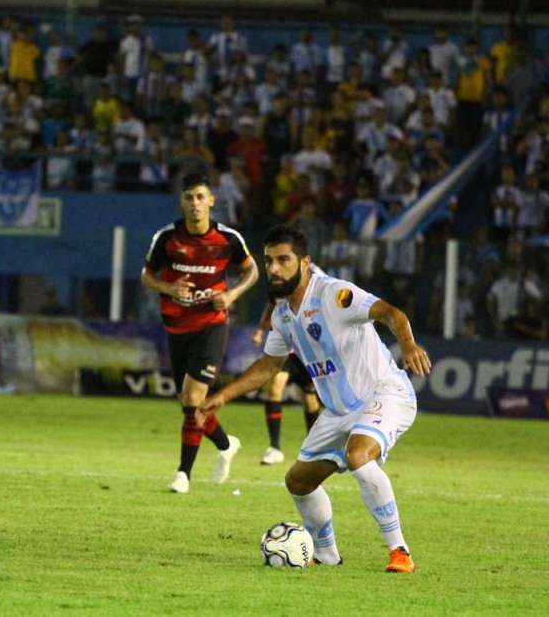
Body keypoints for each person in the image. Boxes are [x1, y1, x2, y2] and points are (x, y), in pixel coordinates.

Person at [198, 224, 430, 573]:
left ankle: (400, 550)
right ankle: (327, 554)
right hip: (337, 413)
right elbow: (268, 365)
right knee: (298, 481)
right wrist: (223, 395)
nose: (274, 269)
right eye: (269, 261)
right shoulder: (282, 315)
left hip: (384, 393)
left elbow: (389, 312)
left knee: (358, 456)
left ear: (304, 262)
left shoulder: (335, 295)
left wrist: (408, 343)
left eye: (283, 260)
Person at [141, 172, 259, 494]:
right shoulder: (167, 238)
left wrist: (231, 296)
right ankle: (225, 444)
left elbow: (252, 270)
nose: (195, 204)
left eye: (200, 198)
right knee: (190, 405)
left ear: (211, 201)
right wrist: (168, 287)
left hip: (211, 324)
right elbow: (147, 276)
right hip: (176, 327)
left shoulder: (227, 239)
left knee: (194, 398)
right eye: (189, 197)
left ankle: (183, 474)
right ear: (182, 201)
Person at [252, 294, 322, 466]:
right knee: (275, 388)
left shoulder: (311, 285)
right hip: (284, 347)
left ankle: (313, 449)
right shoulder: (277, 285)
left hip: (305, 350)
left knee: (309, 398)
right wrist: (261, 329)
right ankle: (274, 448)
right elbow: (271, 305)